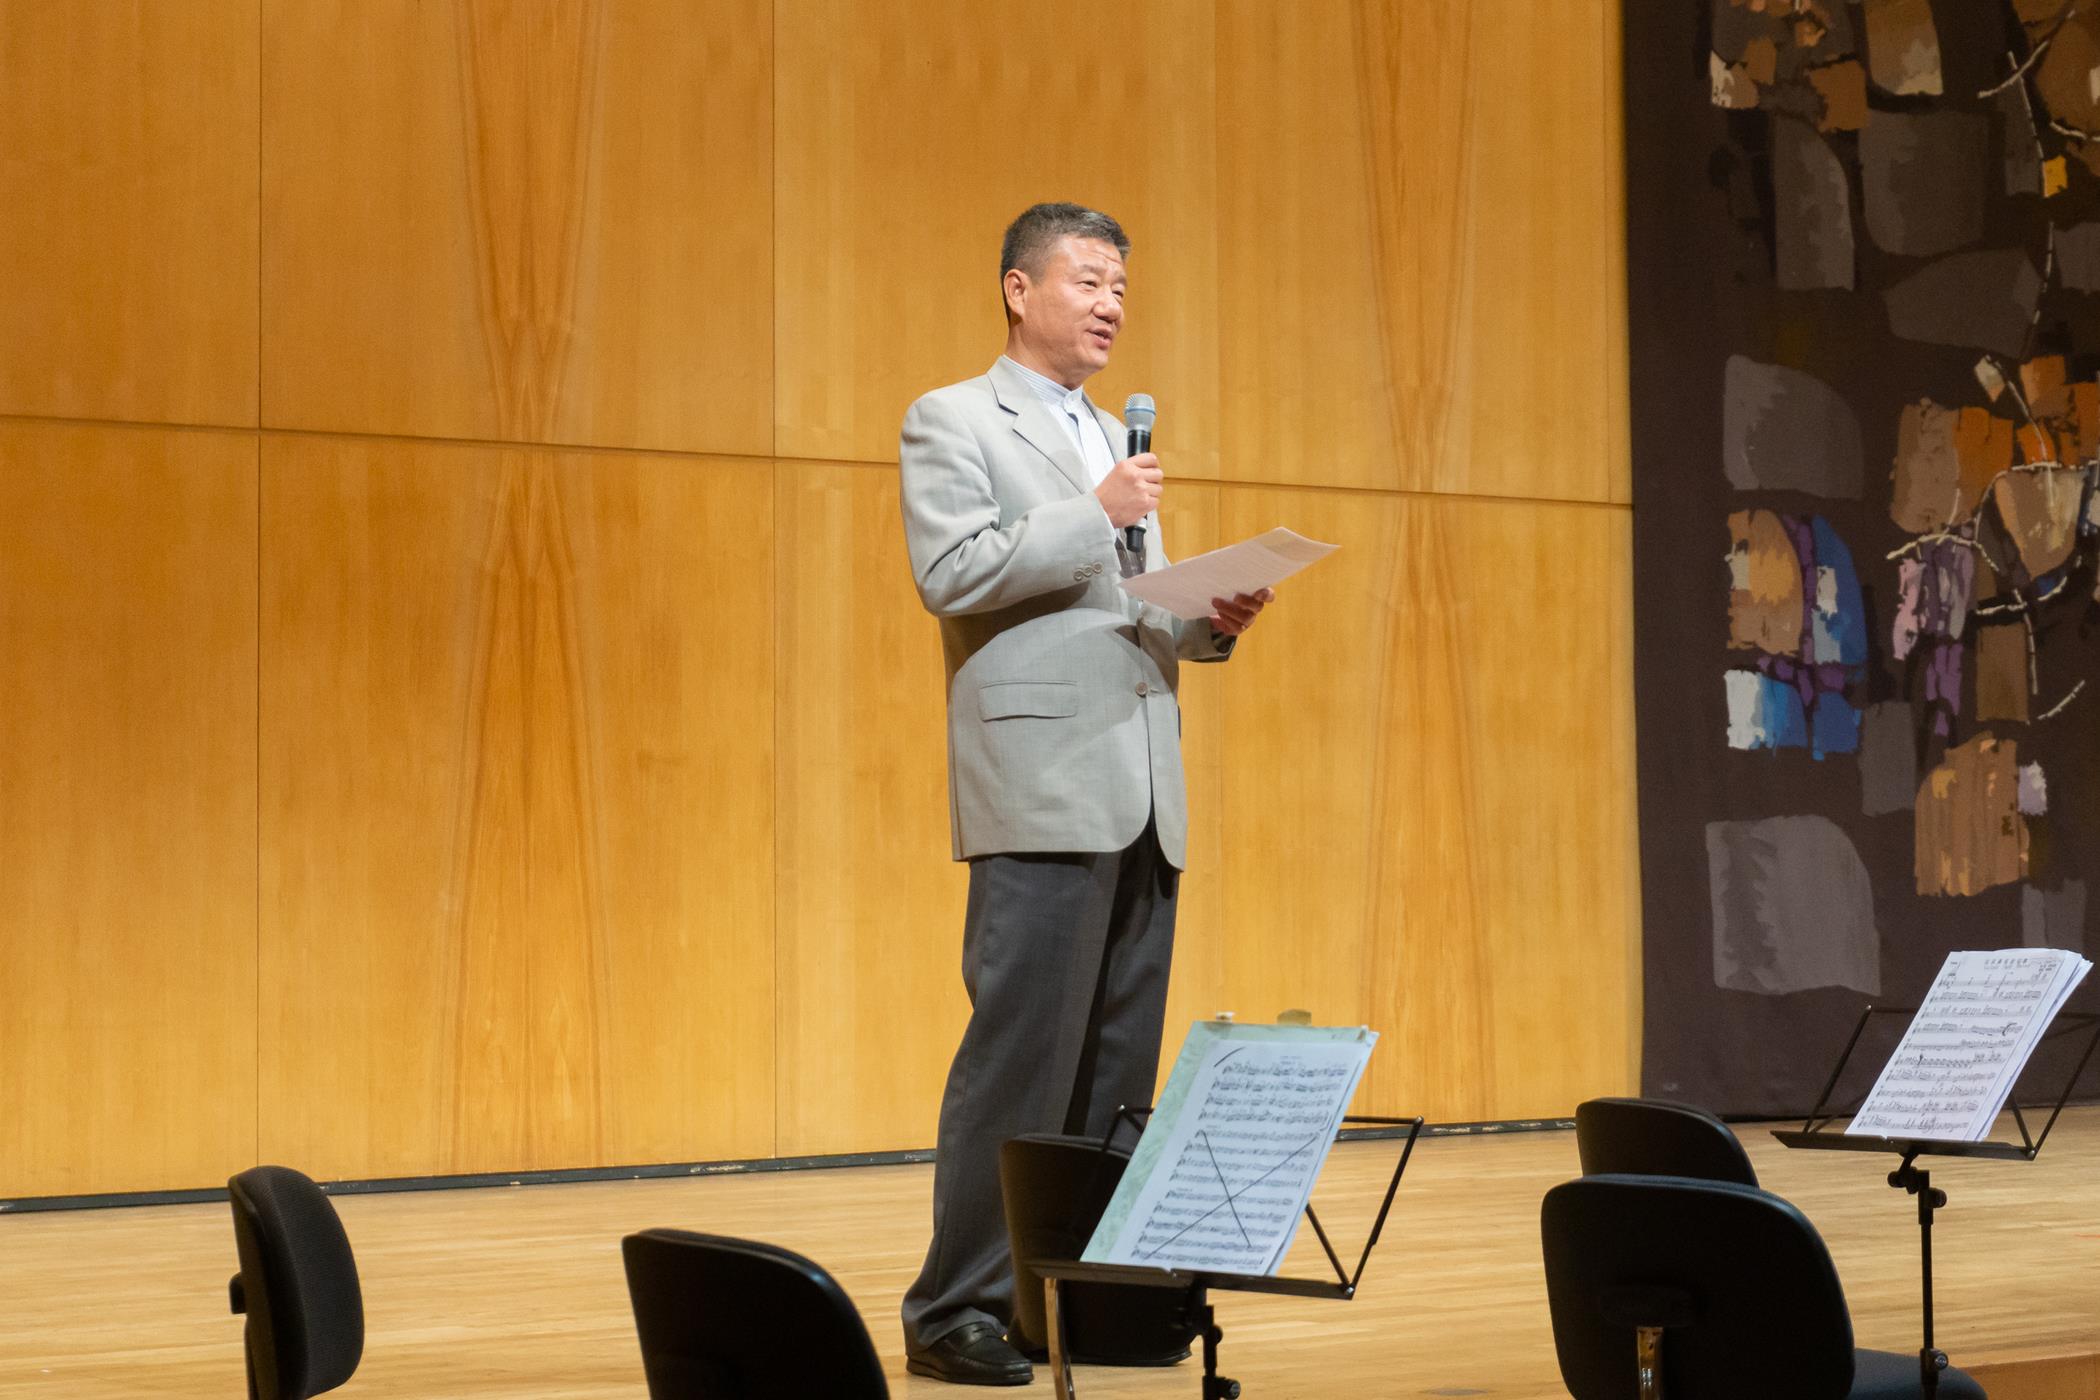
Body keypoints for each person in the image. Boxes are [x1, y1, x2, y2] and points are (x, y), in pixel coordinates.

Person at [896, 201, 1272, 1385]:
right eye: (1089, 280)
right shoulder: (955, 417)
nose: (1111, 304)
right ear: (1020, 289)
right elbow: (950, 569)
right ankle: (956, 1307)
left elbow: (1135, 599)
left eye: (1120, 286)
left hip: (1143, 781)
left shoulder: (1116, 435)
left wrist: (1211, 614)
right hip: (1044, 779)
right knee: (1020, 1060)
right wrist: (1093, 511)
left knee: (1116, 1073)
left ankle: (1083, 1299)